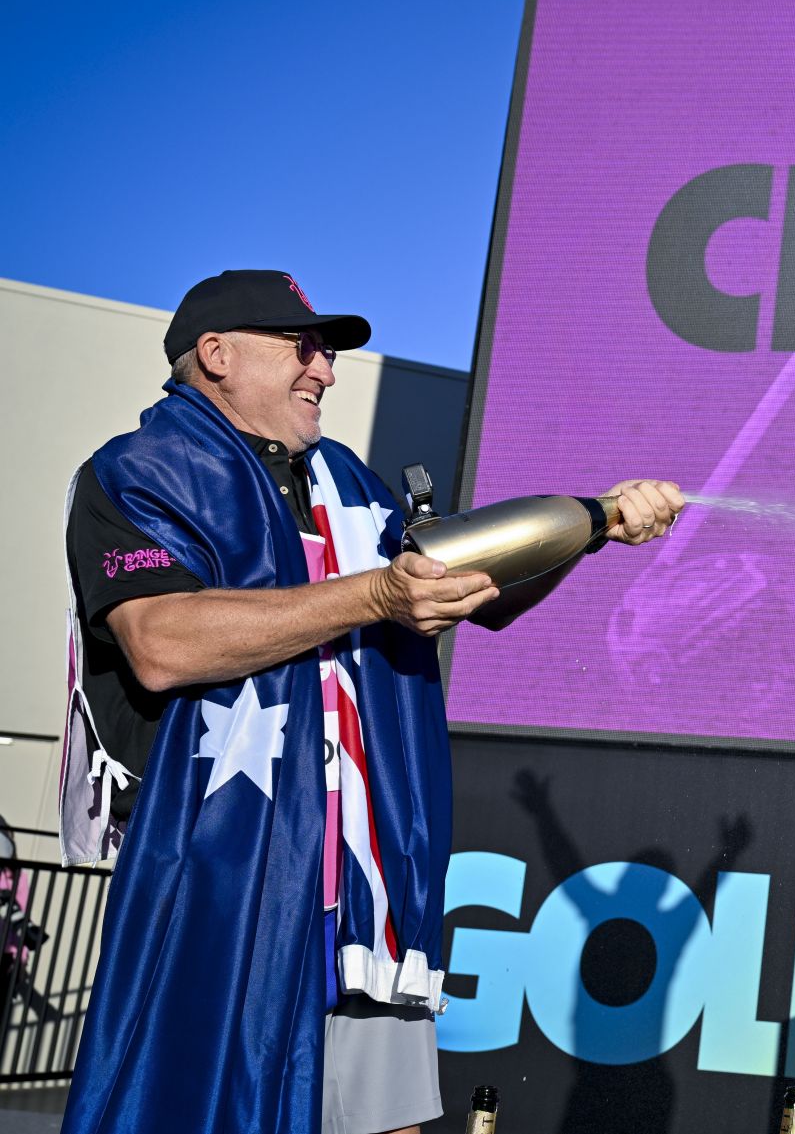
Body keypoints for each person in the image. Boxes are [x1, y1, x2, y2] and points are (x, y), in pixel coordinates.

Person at [57, 269, 685, 1134]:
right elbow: (162, 643)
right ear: (216, 354)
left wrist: (597, 521)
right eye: (302, 346)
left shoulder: (347, 480)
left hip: (367, 900)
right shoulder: (135, 471)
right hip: (228, 893)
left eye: (327, 351)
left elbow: (473, 582)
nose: (326, 369)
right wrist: (378, 598)